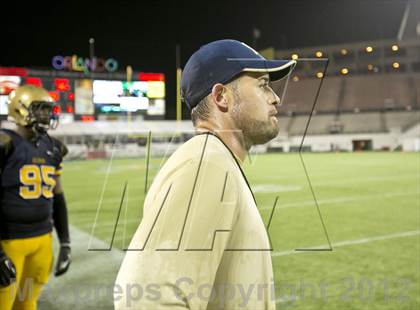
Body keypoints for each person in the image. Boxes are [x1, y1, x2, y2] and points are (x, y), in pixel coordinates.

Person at [115, 39, 295, 309]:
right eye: (262, 85)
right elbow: (144, 297)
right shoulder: (206, 164)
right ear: (222, 96)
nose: (275, 97)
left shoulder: (216, 159)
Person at [0, 84, 71, 310]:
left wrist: (66, 242)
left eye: (48, 110)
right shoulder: (5, 143)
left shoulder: (53, 147)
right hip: (9, 240)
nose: (46, 115)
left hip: (43, 238)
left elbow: (58, 197)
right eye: (39, 109)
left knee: (28, 302)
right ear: (19, 110)